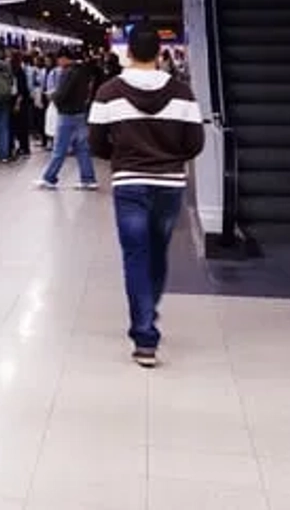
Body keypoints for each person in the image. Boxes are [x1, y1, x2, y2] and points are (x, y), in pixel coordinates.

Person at [89, 24, 205, 368]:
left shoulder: (108, 92)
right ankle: (148, 309)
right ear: (159, 53)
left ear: (128, 53)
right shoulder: (183, 93)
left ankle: (144, 336)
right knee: (158, 250)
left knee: (135, 255)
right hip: (170, 185)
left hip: (130, 184)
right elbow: (195, 143)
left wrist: (123, 160)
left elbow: (96, 143)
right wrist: (169, 160)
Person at [36, 50, 97, 190]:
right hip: (80, 113)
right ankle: (88, 179)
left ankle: (49, 178)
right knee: (82, 148)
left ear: (64, 59)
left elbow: (62, 93)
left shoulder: (67, 72)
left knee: (59, 148)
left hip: (67, 114)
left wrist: (53, 97)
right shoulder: (83, 71)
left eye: (59, 60)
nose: (58, 63)